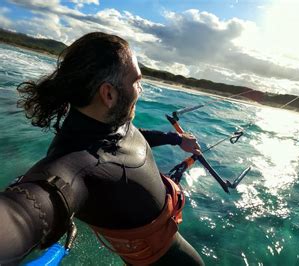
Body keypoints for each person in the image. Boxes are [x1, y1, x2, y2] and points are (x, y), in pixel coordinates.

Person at [0, 32, 204, 265]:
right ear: (108, 94)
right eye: (136, 81)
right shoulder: (77, 166)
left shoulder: (108, 121)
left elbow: (130, 137)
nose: (140, 90)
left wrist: (176, 139)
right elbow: (22, 214)